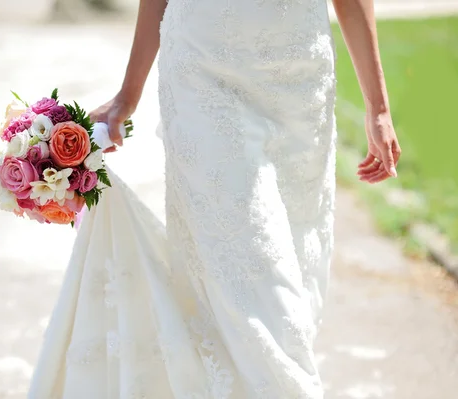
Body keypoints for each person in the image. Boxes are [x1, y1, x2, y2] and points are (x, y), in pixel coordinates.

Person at [28, 0, 401, 397]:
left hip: (299, 84)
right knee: (256, 278)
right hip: (203, 76)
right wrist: (128, 94)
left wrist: (378, 107)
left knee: (293, 270)